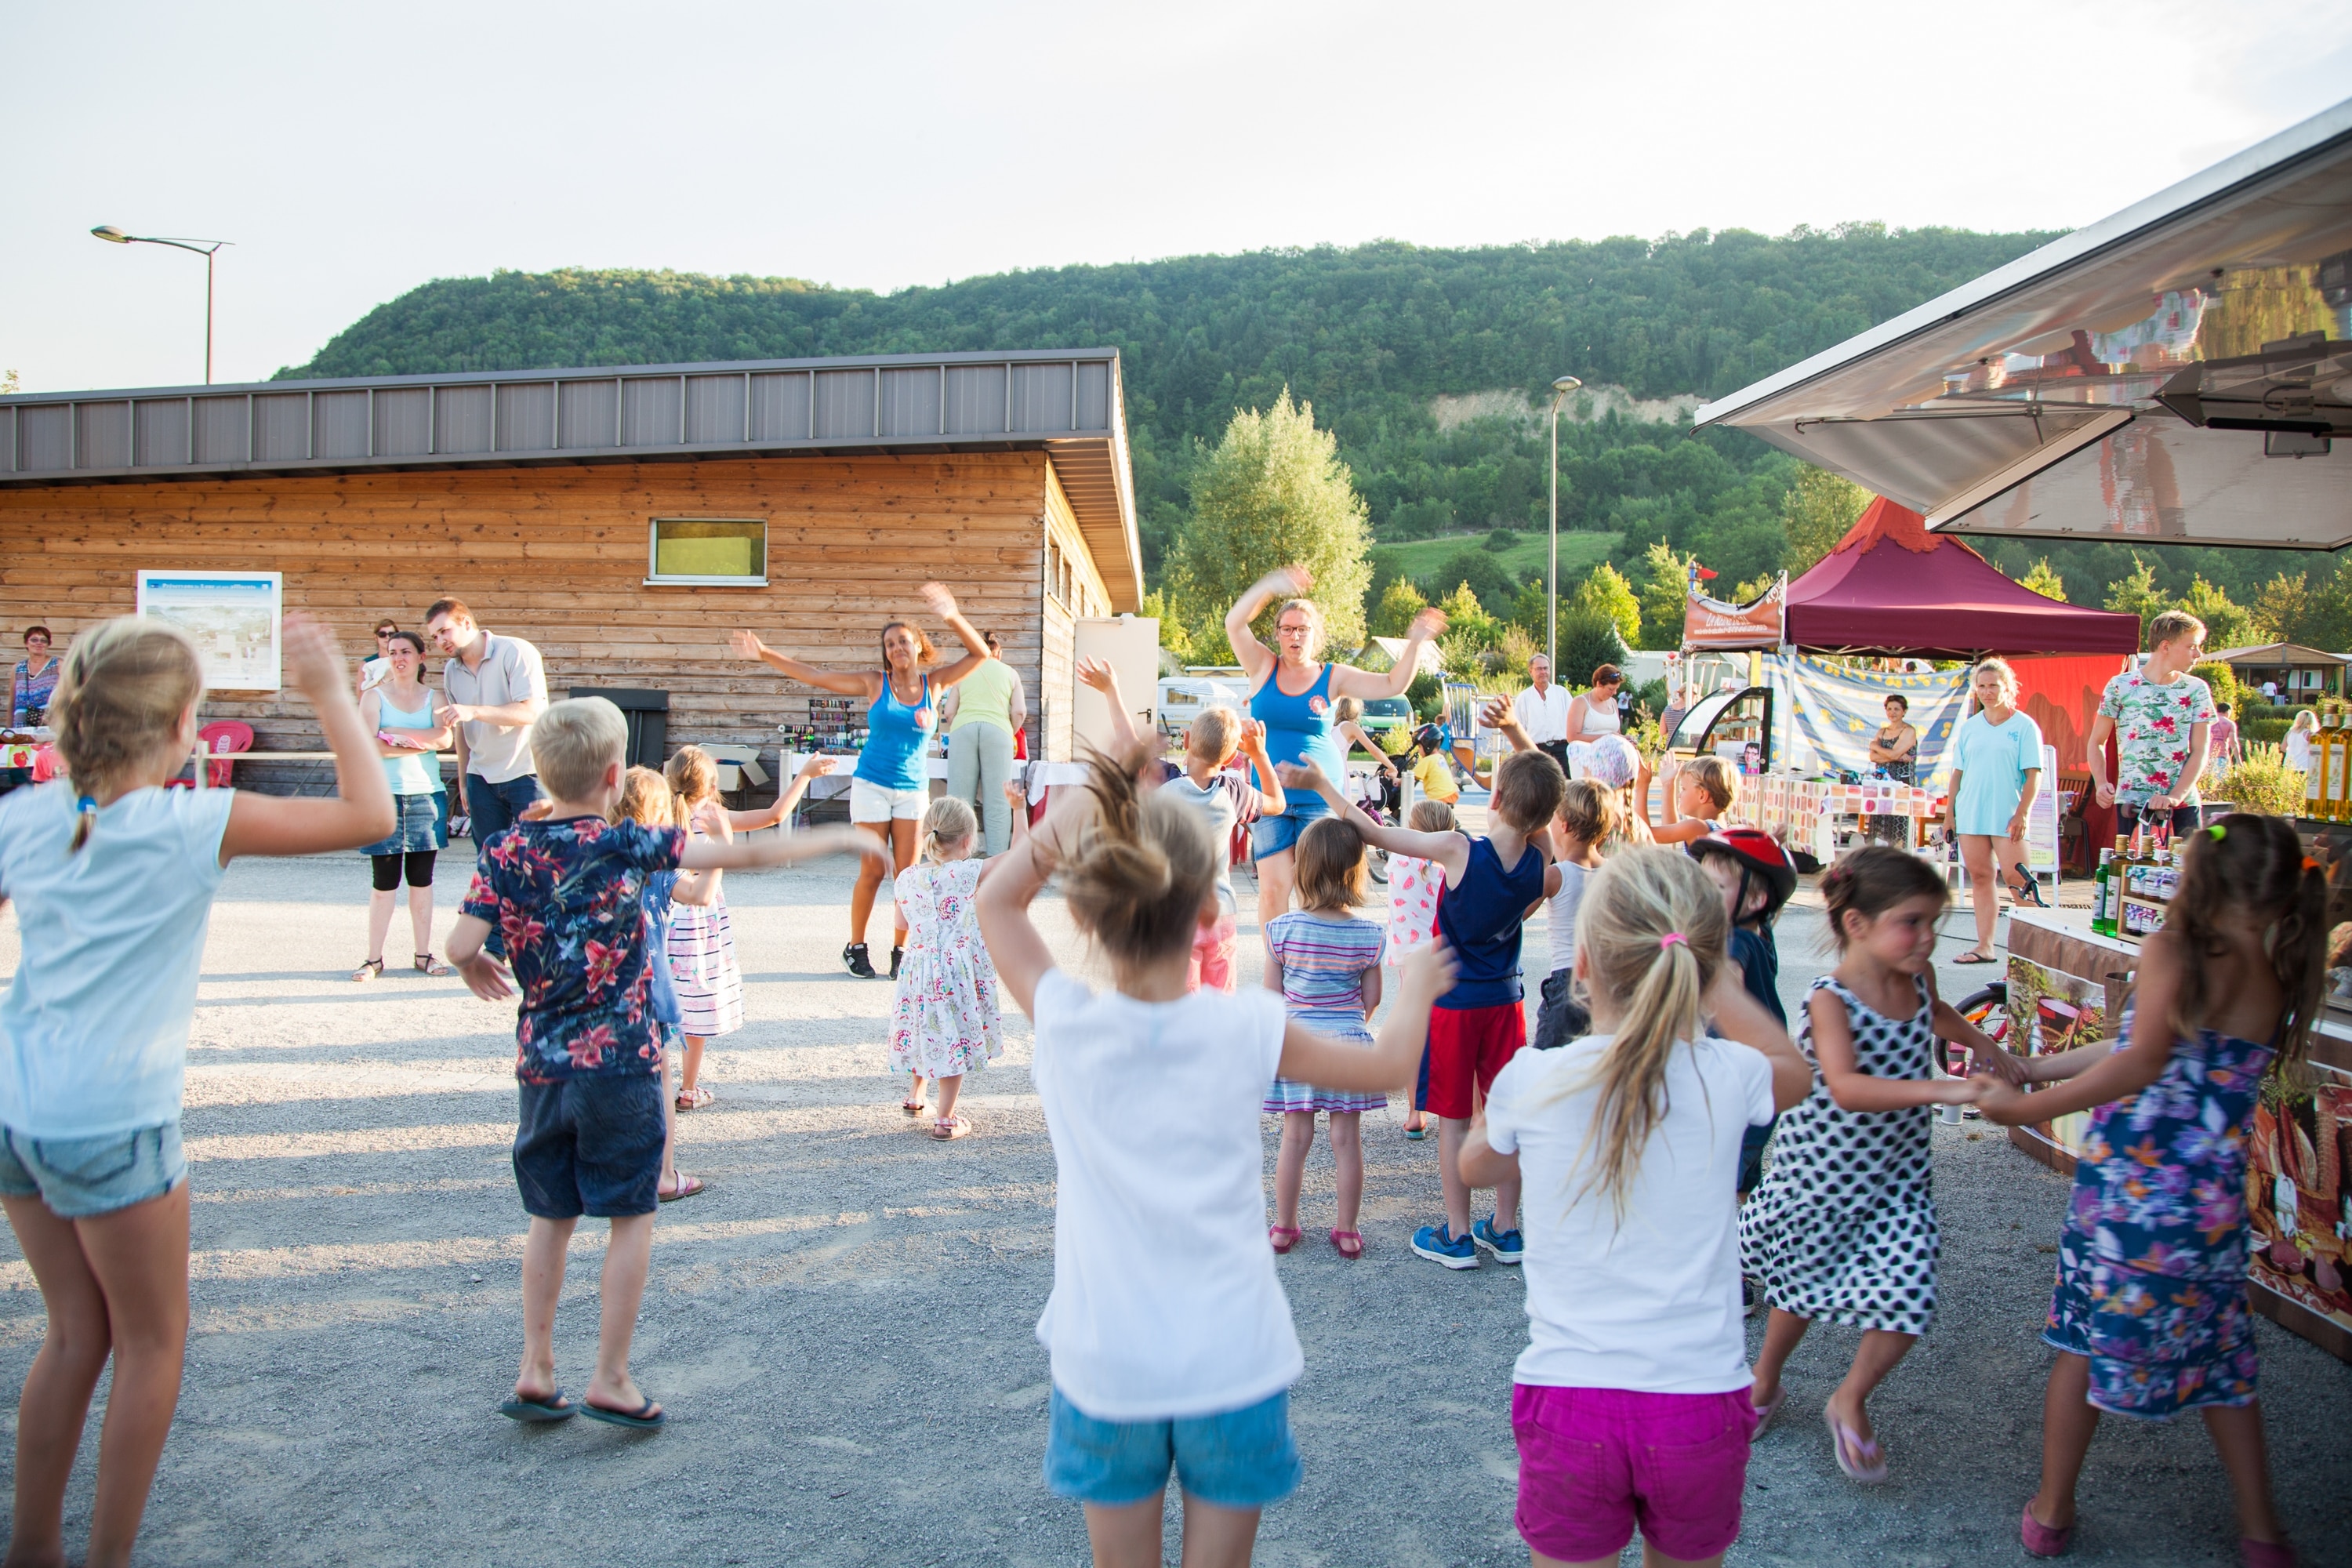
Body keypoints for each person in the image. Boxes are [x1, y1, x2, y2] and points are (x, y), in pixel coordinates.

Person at [974, 737, 1454, 1568]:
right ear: (1210, 914)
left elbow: (997, 902)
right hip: (1232, 1353)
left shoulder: (1069, 1024)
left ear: (1085, 913)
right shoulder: (1244, 1027)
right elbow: (1385, 1065)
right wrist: (1415, 986)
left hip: (1106, 1355)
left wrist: (1084, 806)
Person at [0, 613, 394, 1568]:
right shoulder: (191, 822)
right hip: (114, 1118)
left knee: (71, 1333)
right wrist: (333, 694)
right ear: (183, 727)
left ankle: (32, 1547)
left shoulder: (17, 814)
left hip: (17, 1109)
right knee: (149, 1344)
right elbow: (372, 817)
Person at [450, 697, 885, 1432]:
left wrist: (474, 968)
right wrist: (838, 837)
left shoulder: (505, 850)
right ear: (616, 774)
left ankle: (535, 1367)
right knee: (629, 1216)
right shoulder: (627, 845)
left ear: (540, 773)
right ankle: (612, 1376)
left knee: (550, 1218)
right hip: (621, 1061)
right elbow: (737, 857)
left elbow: (463, 945)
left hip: (542, 1066)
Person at [1976, 815, 2318, 1565]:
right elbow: (2143, 1043)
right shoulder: (2278, 962)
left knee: (2082, 1341)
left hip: (2130, 1196)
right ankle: (2262, 1532)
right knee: (2224, 1355)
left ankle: (2052, 1510)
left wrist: (2020, 1108)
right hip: (2209, 1203)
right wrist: (2033, 1069)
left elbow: (2139, 1066)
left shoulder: (2174, 948)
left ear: (2197, 877)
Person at [1458, 848, 1809, 1568]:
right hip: (1699, 1400)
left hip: (1570, 1396)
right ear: (1704, 968)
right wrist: (1721, 991)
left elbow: (1476, 1164)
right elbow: (1795, 1072)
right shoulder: (1729, 1073)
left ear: (1582, 965)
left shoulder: (1537, 1076)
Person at [1740, 848, 2021, 1484]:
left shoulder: (1915, 977)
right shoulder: (1831, 997)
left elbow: (1937, 1015)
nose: (1927, 938)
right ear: (1857, 923)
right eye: (1912, 922)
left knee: (1910, 1293)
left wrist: (1980, 1042)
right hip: (1823, 1176)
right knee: (1798, 1289)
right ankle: (1765, 1381)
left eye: (1933, 923)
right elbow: (1846, 1087)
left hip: (1897, 1180)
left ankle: (1851, 1397)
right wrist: (1948, 1090)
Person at [1281, 749, 1564, 1271]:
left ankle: (1457, 1234)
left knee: (1454, 1119)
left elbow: (1377, 833)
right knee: (1502, 1114)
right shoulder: (1539, 867)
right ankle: (1506, 1228)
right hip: (1506, 1001)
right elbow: (1542, 839)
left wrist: (1323, 784)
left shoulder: (1459, 849)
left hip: (1455, 1004)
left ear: (1495, 799)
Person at [731, 581, 992, 979]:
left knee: (907, 876)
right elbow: (816, 676)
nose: (896, 649)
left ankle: (901, 951)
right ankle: (855, 947)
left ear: (917, 646)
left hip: (910, 792)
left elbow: (981, 653)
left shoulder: (934, 685)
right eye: (889, 644)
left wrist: (952, 614)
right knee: (872, 870)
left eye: (903, 641)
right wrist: (765, 652)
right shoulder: (875, 684)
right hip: (871, 786)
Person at [1224, 564, 1444, 927]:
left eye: (1303, 629)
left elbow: (1392, 684)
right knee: (1272, 891)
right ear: (1278, 634)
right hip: (1270, 798)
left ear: (1315, 635)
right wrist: (1271, 585)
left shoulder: (1332, 676)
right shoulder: (1263, 666)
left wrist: (1415, 643)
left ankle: (1311, 969)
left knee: (1316, 894)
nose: (1295, 636)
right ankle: (1274, 975)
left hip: (1320, 800)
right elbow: (1235, 622)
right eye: (1288, 629)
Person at [1075, 659, 1286, 993]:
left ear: (1185, 740)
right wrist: (1259, 755)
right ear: (1231, 759)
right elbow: (1278, 802)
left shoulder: (1164, 781)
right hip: (1222, 914)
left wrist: (1111, 690)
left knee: (1179, 1002)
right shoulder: (1234, 793)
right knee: (1219, 1002)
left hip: (1175, 915)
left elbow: (1129, 743)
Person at [1262, 818, 1388, 1260]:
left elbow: (1271, 999)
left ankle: (1284, 1226)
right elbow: (1372, 1000)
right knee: (1347, 1141)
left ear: (1304, 870)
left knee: (1295, 1138)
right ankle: (1348, 1230)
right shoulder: (1370, 935)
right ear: (1355, 871)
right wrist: (1351, 1022)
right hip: (1346, 1046)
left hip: (1298, 1044)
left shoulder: (1282, 930)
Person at [426, 598, 548, 956]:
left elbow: (532, 712)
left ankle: (539, 947)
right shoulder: (452, 671)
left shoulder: (516, 652)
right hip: (481, 775)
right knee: (490, 864)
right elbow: (461, 730)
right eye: (434, 637)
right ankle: (497, 947)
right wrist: (464, 778)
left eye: (445, 630)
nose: (441, 641)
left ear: (466, 623)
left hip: (528, 771)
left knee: (535, 862)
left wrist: (473, 710)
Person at [1687, 827, 1798, 1211]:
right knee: (1744, 1180)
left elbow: (1729, 979)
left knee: (1713, 1180)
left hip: (1741, 1086)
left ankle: (1722, 1259)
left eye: (1715, 889)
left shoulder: (1736, 942)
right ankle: (1753, 1246)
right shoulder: (1759, 930)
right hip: (1762, 1078)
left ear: (1755, 899)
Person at [890, 796, 1006, 1139]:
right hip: (954, 969)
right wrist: (1016, 808)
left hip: (918, 965)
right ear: (968, 840)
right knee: (951, 1035)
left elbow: (901, 921)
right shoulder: (968, 871)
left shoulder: (906, 877)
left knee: (926, 1027)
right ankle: (946, 1118)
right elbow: (1023, 853)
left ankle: (916, 1095)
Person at [352, 630, 456, 981]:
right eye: (393, 652)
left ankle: (424, 954)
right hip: (383, 798)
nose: (399, 658)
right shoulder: (374, 697)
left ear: (421, 657)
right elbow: (367, 746)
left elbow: (445, 738)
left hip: (426, 795)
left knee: (421, 881)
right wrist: (420, 741)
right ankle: (373, 959)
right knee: (385, 882)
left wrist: (392, 733)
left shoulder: (436, 697)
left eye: (406, 652)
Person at [1947, 658, 2046, 964]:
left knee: (2019, 882)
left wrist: (2023, 813)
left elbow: (2034, 773)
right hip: (1972, 812)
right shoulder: (1970, 727)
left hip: (2008, 813)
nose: (1987, 692)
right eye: (1982, 686)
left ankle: (2033, 954)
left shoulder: (2025, 726)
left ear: (2008, 687)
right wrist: (1950, 815)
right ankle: (1985, 946)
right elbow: (1957, 774)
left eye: (1993, 686)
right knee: (1980, 876)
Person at [662, 748, 744, 1112]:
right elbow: (773, 815)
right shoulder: (713, 817)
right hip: (699, 924)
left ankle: (655, 1083)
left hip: (665, 922)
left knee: (660, 1002)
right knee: (693, 1004)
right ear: (712, 785)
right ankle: (688, 1088)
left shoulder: (658, 817)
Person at [2088, 610, 2215, 842]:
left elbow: (2200, 750)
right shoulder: (2121, 685)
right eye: (2191, 646)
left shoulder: (2196, 689)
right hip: (2132, 802)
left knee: (2190, 873)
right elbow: (2096, 741)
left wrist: (2175, 797)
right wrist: (2102, 782)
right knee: (2127, 871)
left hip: (2183, 802)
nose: (2198, 654)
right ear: (2166, 646)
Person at [1385, 797, 1456, 1139]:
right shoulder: (1451, 866)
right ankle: (1454, 1111)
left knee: (1416, 1038)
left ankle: (1416, 1113)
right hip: (1445, 959)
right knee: (1446, 1036)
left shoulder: (1398, 862)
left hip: (1410, 964)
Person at [940, 630, 1027, 856]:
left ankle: (956, 858)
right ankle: (997, 858)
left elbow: (949, 712)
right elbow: (1019, 711)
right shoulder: (1010, 673)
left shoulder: (964, 672)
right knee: (998, 800)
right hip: (998, 731)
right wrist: (1009, 730)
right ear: (999, 653)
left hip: (963, 730)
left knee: (959, 799)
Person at [1866, 693, 1919, 846]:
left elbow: (1891, 753)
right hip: (1881, 783)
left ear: (1904, 711)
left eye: (1897, 709)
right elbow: (1873, 757)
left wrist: (1876, 746)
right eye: (1889, 709)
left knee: (1899, 820)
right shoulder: (1882, 732)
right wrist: (1894, 756)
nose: (1892, 712)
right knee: (1881, 819)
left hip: (1901, 782)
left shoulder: (1908, 731)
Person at [1650, 754, 1738, 847]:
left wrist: (1641, 785)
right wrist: (1668, 784)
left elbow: (1647, 834)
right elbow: (1670, 829)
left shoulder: (1698, 827)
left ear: (1702, 796)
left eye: (1683, 789)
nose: (1680, 795)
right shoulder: (1723, 827)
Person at [1512, 653, 1573, 774]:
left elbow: (1572, 721)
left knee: (1565, 788)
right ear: (1531, 671)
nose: (1543, 672)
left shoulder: (1562, 693)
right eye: (1539, 669)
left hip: (1562, 750)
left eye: (1546, 668)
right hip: (1536, 751)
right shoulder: (1524, 698)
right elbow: (1519, 729)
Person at [11, 625, 59, 728]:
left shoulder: (58, 665)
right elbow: (12, 702)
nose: (39, 643)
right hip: (21, 729)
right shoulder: (18, 668)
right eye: (34, 640)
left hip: (50, 727)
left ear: (48, 644)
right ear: (26, 643)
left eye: (43, 640)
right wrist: (9, 732)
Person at [1406, 724, 1461, 807]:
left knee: (1420, 812)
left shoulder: (1428, 760)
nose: (1418, 750)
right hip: (1451, 793)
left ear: (1428, 746)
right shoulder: (1439, 757)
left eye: (1420, 747)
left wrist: (1397, 781)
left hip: (1439, 797)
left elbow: (1411, 778)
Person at [355, 618, 399, 695]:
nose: (387, 637)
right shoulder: (367, 663)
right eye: (382, 634)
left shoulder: (403, 660)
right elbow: (361, 696)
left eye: (391, 634)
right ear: (376, 637)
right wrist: (383, 681)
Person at [2285, 709, 2318, 776]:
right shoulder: (2310, 734)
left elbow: (2283, 748)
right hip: (2304, 766)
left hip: (2288, 766)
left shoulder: (2290, 732)